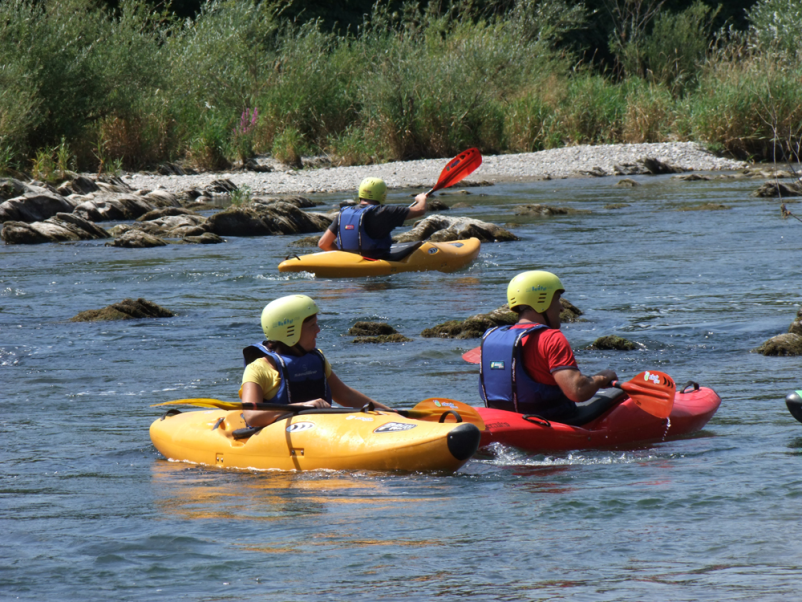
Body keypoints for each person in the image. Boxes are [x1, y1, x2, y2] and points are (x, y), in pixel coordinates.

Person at [478, 270, 619, 424]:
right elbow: (577, 391)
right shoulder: (551, 338)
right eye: (557, 299)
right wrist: (602, 378)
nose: (561, 308)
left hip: (502, 420)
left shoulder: (492, 338)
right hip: (549, 423)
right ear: (541, 302)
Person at [240, 294, 391, 428]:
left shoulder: (317, 359)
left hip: (320, 431)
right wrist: (301, 407)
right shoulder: (258, 369)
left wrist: (389, 413)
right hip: (278, 437)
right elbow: (252, 417)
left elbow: (346, 395)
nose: (318, 330)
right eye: (312, 325)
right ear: (290, 331)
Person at [317, 177, 428, 257]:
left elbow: (323, 243)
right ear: (382, 195)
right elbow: (420, 210)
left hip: (349, 261)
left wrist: (344, 258)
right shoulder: (385, 211)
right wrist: (421, 199)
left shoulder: (344, 213)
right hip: (378, 263)